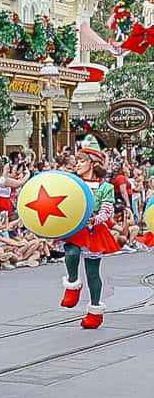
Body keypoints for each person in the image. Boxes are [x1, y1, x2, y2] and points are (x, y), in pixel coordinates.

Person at [62, 136, 119, 330]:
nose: (77, 164)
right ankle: (72, 284)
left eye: (82, 160)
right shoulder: (72, 183)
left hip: (94, 229)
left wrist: (96, 218)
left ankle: (94, 311)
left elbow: (107, 210)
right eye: (77, 160)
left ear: (93, 164)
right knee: (71, 253)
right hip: (75, 228)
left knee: (93, 273)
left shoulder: (105, 187)